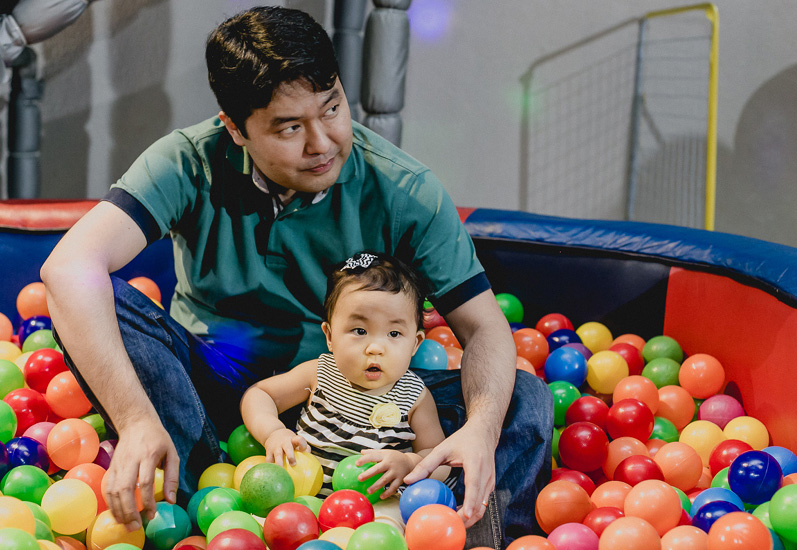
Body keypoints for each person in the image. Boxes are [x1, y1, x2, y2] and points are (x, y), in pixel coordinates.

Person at [40, 6, 550, 546]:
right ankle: (204, 507)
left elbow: (486, 328)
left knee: (522, 399)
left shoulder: (404, 191)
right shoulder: (189, 162)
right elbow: (68, 267)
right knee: (103, 301)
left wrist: (477, 431)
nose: (322, 143)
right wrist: (137, 419)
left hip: (358, 396)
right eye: (289, 127)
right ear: (234, 128)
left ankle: (460, 535)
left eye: (331, 109)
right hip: (210, 391)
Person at [242, 252, 457, 528]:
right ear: (330, 336)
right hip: (301, 503)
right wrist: (273, 432)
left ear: (415, 344)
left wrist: (409, 462)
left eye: (394, 334)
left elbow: (440, 458)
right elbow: (260, 395)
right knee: (261, 520)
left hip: (373, 512)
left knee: (394, 522)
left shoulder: (414, 396)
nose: (375, 347)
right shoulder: (319, 373)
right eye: (358, 330)